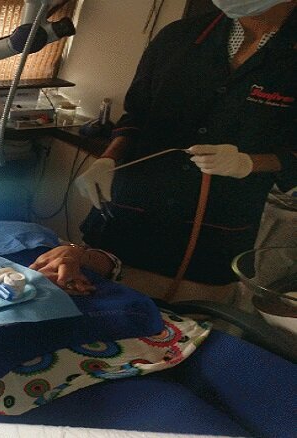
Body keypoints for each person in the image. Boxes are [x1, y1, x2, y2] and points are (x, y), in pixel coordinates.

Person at [74, 0, 295, 303]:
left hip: (215, 233)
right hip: (130, 214)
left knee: (187, 324)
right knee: (96, 306)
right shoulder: (177, 38)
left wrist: (249, 163)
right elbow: (137, 115)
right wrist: (107, 158)